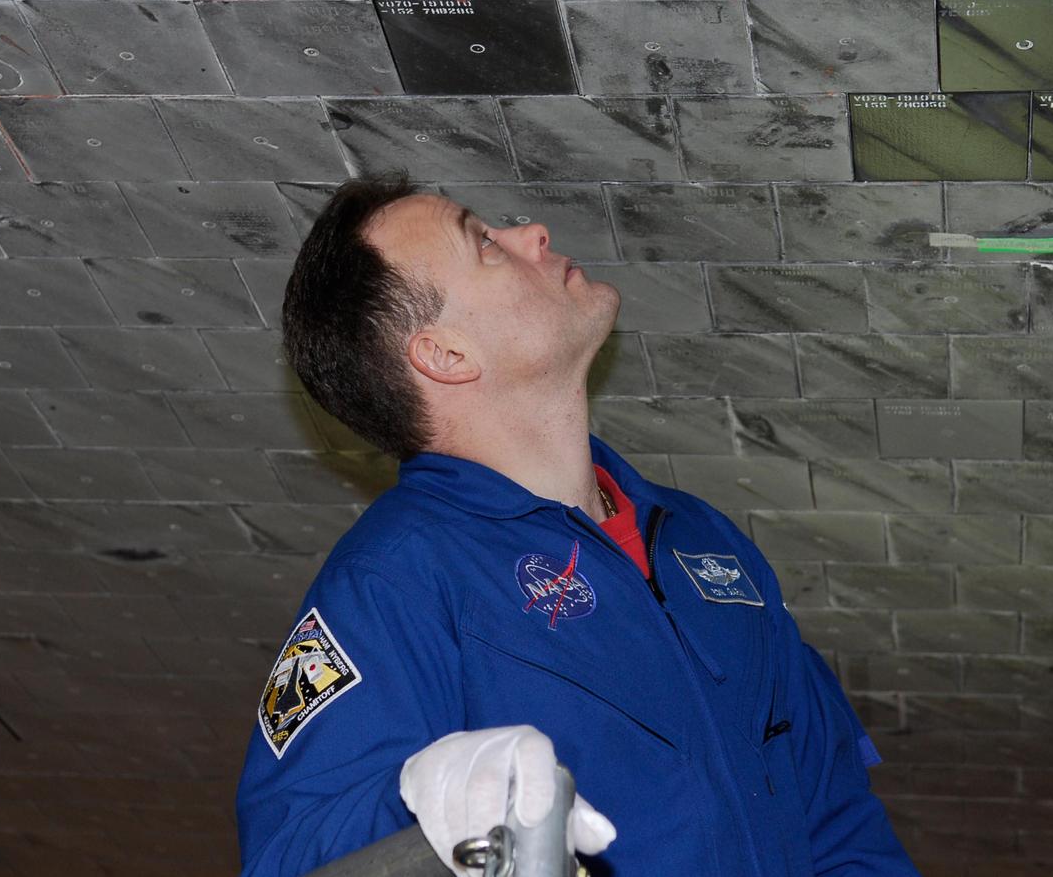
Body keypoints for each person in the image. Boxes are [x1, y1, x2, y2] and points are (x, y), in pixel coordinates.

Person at [236, 172, 920, 876]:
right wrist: (417, 807)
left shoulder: (700, 538)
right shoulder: (396, 577)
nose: (532, 233)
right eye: (486, 245)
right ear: (445, 354)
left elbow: (839, 822)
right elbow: (289, 854)